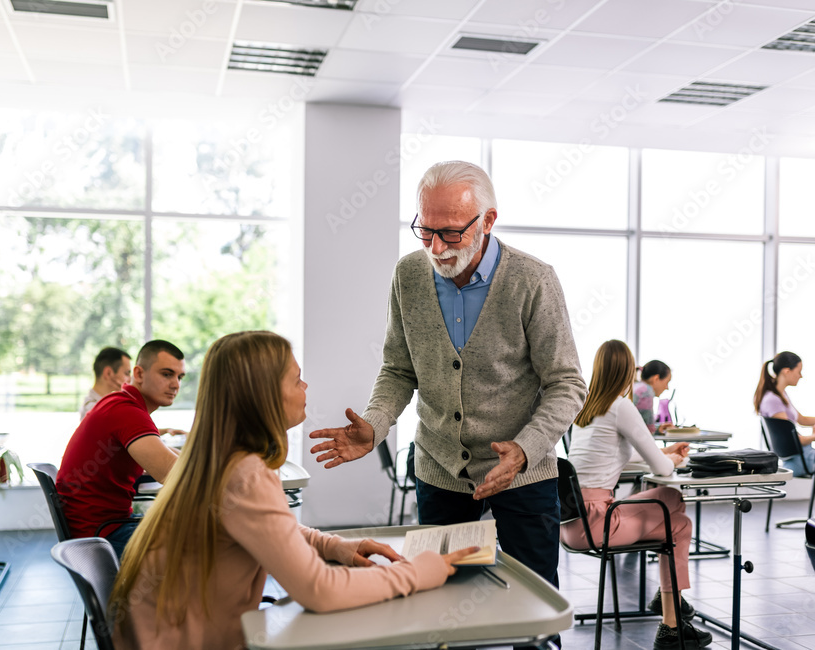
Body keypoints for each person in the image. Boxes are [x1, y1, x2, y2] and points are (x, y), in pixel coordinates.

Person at [309, 161, 587, 598]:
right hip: (440, 468)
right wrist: (376, 422)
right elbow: (399, 368)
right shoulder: (409, 275)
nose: (436, 247)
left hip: (523, 470)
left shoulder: (532, 280)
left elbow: (567, 383)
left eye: (451, 232)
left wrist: (526, 448)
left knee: (534, 602)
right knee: (440, 599)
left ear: (488, 221)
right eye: (426, 230)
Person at [109, 331, 475, 650]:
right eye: (297, 380)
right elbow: (320, 590)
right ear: (265, 395)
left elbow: (267, 527)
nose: (305, 388)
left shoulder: (217, 457)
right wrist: (424, 570)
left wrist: (334, 545)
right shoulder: (244, 473)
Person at [564, 340, 710, 649]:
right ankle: (671, 608)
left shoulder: (586, 408)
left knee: (679, 525)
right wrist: (673, 459)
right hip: (598, 522)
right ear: (629, 371)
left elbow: (620, 456)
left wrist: (664, 452)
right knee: (672, 499)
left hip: (571, 524)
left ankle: (672, 617)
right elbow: (662, 469)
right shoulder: (621, 406)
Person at [57, 340, 185, 558]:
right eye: (167, 374)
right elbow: (173, 473)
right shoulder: (127, 411)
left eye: (180, 377)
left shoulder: (122, 403)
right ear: (139, 373)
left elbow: (175, 459)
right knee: (208, 545)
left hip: (103, 527)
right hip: (102, 535)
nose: (176, 384)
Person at [754, 351, 815, 477]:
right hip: (799, 460)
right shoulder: (773, 400)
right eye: (798, 371)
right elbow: (794, 441)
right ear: (787, 371)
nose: (801, 376)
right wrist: (813, 437)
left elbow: (802, 420)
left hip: (803, 455)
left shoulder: (781, 395)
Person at [80, 347, 131, 419]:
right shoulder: (94, 411)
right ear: (108, 373)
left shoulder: (107, 404)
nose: (130, 379)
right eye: (126, 373)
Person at [633, 360, 674, 434]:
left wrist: (658, 428)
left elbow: (643, 426)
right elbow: (648, 431)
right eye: (667, 382)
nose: (667, 387)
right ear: (656, 379)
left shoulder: (637, 387)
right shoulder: (646, 391)